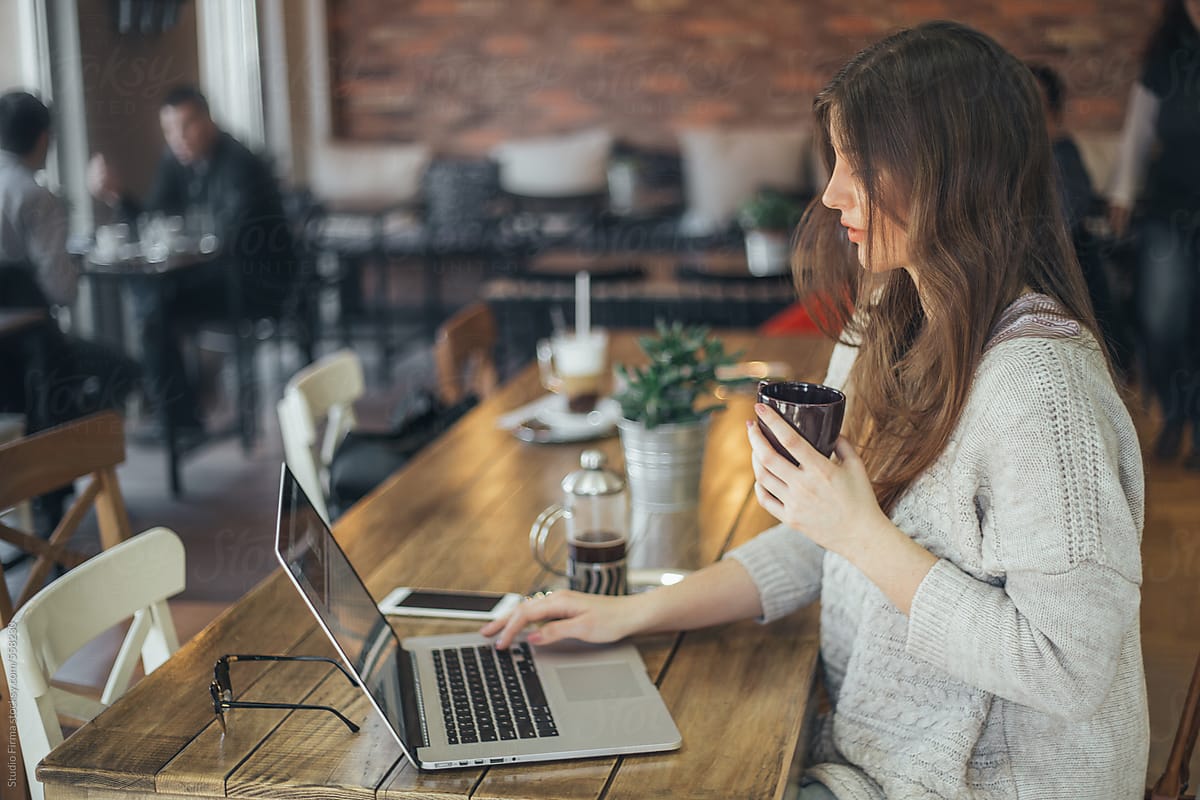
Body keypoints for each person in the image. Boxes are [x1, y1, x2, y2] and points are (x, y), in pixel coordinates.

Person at [483, 22, 1148, 800]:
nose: (832, 193)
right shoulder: (887, 323)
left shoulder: (1041, 392)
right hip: (874, 761)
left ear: (954, 173)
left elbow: (1068, 671)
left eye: (860, 164)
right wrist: (630, 615)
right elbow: (820, 551)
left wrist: (858, 532)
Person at [87, 85, 298, 433]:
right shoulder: (175, 163)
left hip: (256, 284)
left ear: (208, 120)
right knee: (151, 304)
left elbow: (230, 241)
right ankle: (176, 416)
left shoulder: (240, 164)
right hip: (212, 277)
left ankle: (174, 416)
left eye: (186, 126)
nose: (178, 138)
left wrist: (181, 242)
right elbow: (153, 222)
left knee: (154, 308)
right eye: (169, 130)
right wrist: (118, 195)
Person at [0, 90, 139, 535]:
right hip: (33, 354)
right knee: (122, 371)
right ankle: (63, 483)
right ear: (44, 139)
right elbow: (60, 290)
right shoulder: (36, 197)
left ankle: (46, 485)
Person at [1108, 0, 1200, 468]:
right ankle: (1175, 413)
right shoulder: (1166, 53)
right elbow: (1139, 130)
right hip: (1169, 208)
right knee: (1161, 322)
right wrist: (1122, 194)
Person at [1028, 62, 1132, 377]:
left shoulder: (1063, 157)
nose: (1028, 118)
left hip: (1065, 266)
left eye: (1038, 107)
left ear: (1055, 113)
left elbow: (1063, 223)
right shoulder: (1016, 161)